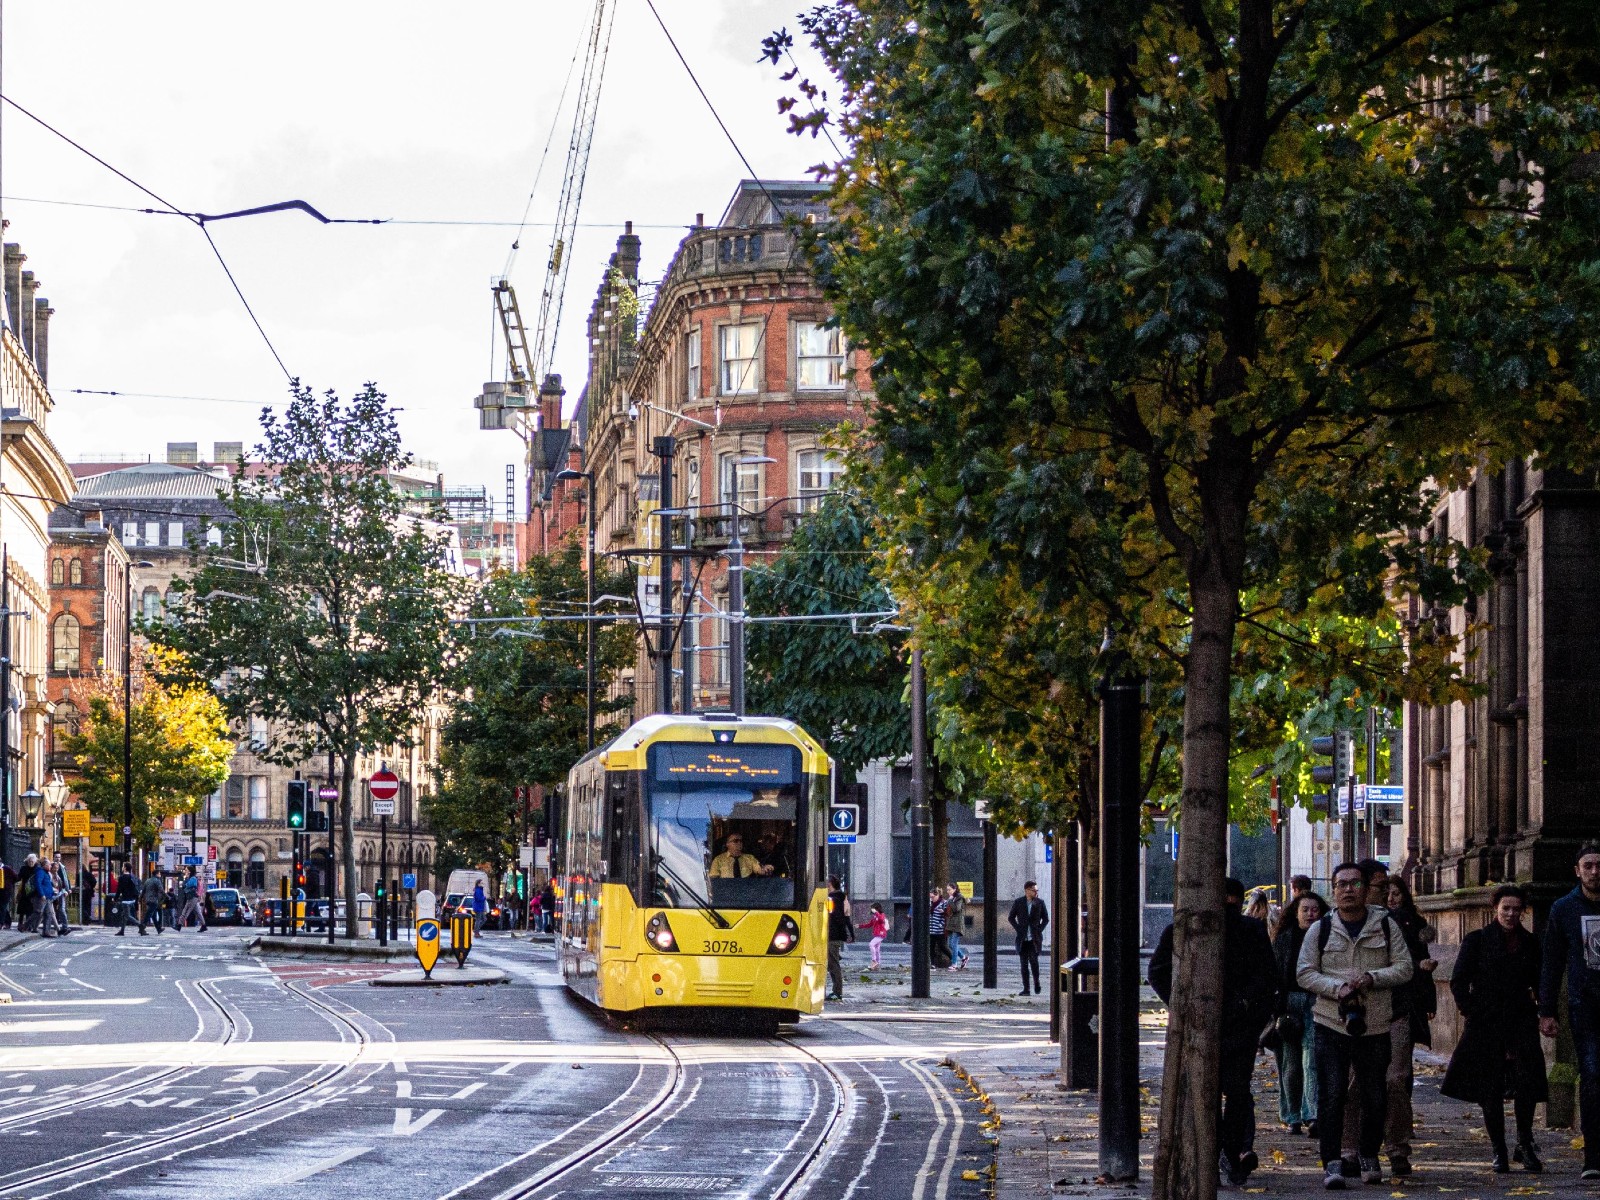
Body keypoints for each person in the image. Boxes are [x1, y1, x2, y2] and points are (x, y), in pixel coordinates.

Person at [1148, 879, 1278, 1186]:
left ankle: (1232, 1151)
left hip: (1238, 1028)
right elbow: (1158, 972)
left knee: (1234, 1092)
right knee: (1216, 1091)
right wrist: (1184, 1006)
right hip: (1205, 1026)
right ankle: (1224, 1151)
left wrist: (1248, 1011)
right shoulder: (1181, 930)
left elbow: (1267, 978)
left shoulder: (1250, 931)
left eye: (1232, 898)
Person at [1298, 861, 1413, 1190]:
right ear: (1333, 890)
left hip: (1375, 1025)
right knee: (1333, 1095)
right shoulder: (1320, 929)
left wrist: (1371, 979)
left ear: (1366, 890)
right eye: (1341, 884)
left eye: (1355, 884)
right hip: (1330, 1023)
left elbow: (1405, 968)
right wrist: (1338, 988)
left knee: (1376, 1096)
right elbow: (1304, 972)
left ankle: (1368, 1154)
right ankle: (1332, 1162)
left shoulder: (1387, 926)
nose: (1348, 889)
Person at [1442, 884, 1546, 1174]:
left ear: (1523, 911)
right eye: (1505, 909)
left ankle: (1524, 1141)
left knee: (1526, 1082)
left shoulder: (1531, 942)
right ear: (1495, 909)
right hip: (1486, 1020)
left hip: (1521, 1019)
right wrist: (1470, 1009)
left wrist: (1543, 1009)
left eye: (1516, 909)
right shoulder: (1477, 940)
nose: (1511, 914)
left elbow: (1540, 980)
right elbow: (1458, 980)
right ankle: (1498, 1148)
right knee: (1490, 1086)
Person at [1539, 841, 1600, 1182]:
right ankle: (1593, 1155)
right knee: (1592, 1077)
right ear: (1577, 871)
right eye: (1588, 865)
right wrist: (1547, 1010)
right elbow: (1552, 961)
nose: (1594, 871)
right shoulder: (1564, 909)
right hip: (1585, 1005)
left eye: (1599, 865)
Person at [1378, 876, 1437, 1177]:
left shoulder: (1415, 923)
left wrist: (1429, 1001)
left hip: (1407, 1002)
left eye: (1396, 893)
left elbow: (1423, 961)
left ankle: (1399, 1134)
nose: (1391, 898)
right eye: (1386, 893)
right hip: (1378, 1004)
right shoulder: (1376, 923)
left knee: (1399, 1073)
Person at [1273, 891, 1327, 1136]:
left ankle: (1312, 1114)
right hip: (1289, 1004)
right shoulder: (1284, 939)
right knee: (1290, 1063)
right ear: (1296, 913)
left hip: (1317, 1001)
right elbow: (1275, 974)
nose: (1310, 914)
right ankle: (1292, 1115)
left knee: (1312, 1059)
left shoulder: (1327, 938)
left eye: (1314, 909)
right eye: (1305, 909)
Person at [1009, 881, 1049, 996]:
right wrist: (1018, 928)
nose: (1036, 892)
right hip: (1022, 939)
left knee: (1034, 962)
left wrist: (1038, 929)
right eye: (1033, 890)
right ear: (1027, 890)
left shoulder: (1040, 903)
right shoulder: (1019, 902)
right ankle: (1026, 989)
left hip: (1034, 939)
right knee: (1024, 965)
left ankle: (1037, 982)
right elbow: (1011, 917)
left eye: (1037, 890)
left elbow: (1046, 919)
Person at [826, 876, 852, 1000]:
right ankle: (836, 991)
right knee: (832, 963)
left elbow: (837, 918)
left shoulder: (832, 899)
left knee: (833, 964)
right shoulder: (838, 899)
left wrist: (843, 934)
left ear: (830, 884)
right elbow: (844, 919)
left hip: (832, 936)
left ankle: (837, 992)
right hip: (834, 935)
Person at [30, 854, 63, 938]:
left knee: (49, 914)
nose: (50, 866)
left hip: (48, 896)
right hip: (43, 896)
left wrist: (53, 889)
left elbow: (48, 884)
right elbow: (38, 883)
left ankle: (46, 932)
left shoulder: (46, 872)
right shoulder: (40, 872)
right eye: (48, 864)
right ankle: (25, 926)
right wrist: (42, 894)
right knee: (38, 912)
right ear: (44, 865)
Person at [945, 884, 970, 971]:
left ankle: (954, 964)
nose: (948, 892)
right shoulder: (953, 898)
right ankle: (963, 957)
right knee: (950, 944)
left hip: (958, 924)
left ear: (955, 889)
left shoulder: (959, 897)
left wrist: (950, 901)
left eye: (949, 890)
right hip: (952, 923)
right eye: (947, 890)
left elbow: (956, 909)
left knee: (954, 944)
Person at [859, 902, 888, 969]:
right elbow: (869, 924)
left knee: (871, 944)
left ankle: (874, 960)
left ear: (876, 908)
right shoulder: (875, 916)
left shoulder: (881, 914)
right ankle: (878, 963)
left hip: (881, 934)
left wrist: (876, 913)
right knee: (877, 949)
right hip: (877, 934)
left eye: (873, 908)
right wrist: (860, 926)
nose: (871, 910)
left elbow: (881, 920)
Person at [177, 867, 207, 931]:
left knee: (185, 911)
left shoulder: (192, 878)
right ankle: (204, 925)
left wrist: (185, 883)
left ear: (189, 871)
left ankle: (179, 925)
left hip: (191, 897)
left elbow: (187, 886)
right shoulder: (191, 878)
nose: (185, 871)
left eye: (186, 870)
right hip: (193, 897)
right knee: (198, 912)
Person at [139, 869, 165, 935]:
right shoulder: (157, 880)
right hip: (154, 900)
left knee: (153, 915)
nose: (160, 875)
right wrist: (168, 896)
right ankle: (142, 928)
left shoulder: (147, 880)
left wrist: (140, 898)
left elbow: (143, 890)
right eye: (159, 874)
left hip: (147, 900)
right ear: (156, 874)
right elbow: (161, 890)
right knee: (148, 914)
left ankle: (158, 929)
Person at [114, 865, 139, 935]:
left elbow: (119, 889)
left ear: (125, 868)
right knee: (124, 915)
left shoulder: (122, 878)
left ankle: (140, 925)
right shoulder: (133, 877)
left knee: (127, 915)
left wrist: (115, 898)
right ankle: (122, 931)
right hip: (132, 899)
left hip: (126, 899)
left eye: (123, 866)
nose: (122, 867)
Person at [0, 860, 10, 929]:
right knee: (2, 907)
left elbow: (15, 877)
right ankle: (8, 921)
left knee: (3, 907)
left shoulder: (6, 868)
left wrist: (8, 884)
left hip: (5, 891)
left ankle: (1, 923)